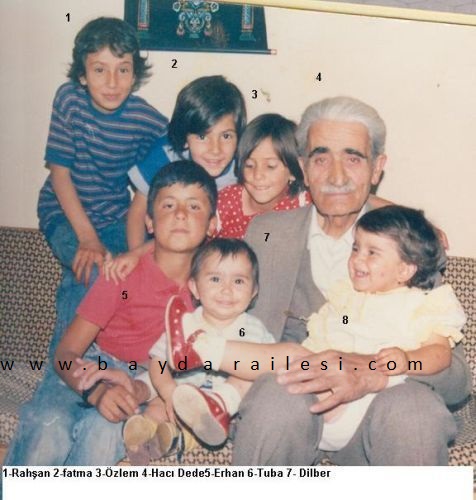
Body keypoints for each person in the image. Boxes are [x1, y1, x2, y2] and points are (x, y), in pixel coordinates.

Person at [232, 96, 471, 465]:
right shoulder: (265, 232)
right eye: (321, 158)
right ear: (303, 167)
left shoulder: (409, 241)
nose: (337, 176)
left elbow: (456, 380)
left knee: (415, 412)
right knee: (274, 399)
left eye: (354, 159)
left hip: (380, 409)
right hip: (293, 398)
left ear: (377, 169)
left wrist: (374, 372)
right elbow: (234, 324)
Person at [166, 206, 465, 456]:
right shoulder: (346, 297)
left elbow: (440, 354)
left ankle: (203, 348)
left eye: (372, 252)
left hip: (370, 408)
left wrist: (406, 360)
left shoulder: (423, 303)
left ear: (405, 270)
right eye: (356, 248)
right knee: (277, 361)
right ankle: (219, 397)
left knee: (291, 356)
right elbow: (317, 342)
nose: (357, 259)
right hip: (318, 406)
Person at [4, 161, 217, 466]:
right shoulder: (120, 276)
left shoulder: (212, 288)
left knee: (102, 431)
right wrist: (96, 391)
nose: (181, 214)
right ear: (150, 222)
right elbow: (64, 354)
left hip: (143, 383)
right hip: (93, 366)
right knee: (48, 428)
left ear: (212, 224)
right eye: (169, 205)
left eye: (194, 206)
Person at [36, 17, 168, 356]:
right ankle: (62, 371)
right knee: (91, 272)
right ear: (82, 75)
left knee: (156, 261)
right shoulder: (69, 100)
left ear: (134, 75)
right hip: (63, 213)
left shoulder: (144, 119)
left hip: (114, 217)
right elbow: (60, 174)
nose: (112, 82)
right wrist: (88, 239)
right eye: (99, 70)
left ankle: (130, 363)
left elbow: (180, 144)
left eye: (123, 70)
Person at [82, 238, 274, 464]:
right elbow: (158, 361)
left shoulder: (253, 329)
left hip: (226, 410)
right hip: (181, 394)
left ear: (254, 291)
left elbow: (270, 367)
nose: (226, 289)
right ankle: (144, 442)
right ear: (194, 287)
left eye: (239, 281)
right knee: (157, 406)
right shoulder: (184, 323)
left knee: (249, 374)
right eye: (215, 279)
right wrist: (169, 392)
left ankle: (189, 433)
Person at [127, 75, 246, 249]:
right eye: (202, 136)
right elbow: (138, 211)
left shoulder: (244, 167)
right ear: (184, 139)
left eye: (226, 136)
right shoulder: (166, 154)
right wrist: (135, 255)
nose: (215, 149)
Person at [215, 114, 311, 239]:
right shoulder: (225, 203)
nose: (258, 175)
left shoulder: (303, 204)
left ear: (293, 171)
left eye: (270, 166)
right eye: (249, 165)